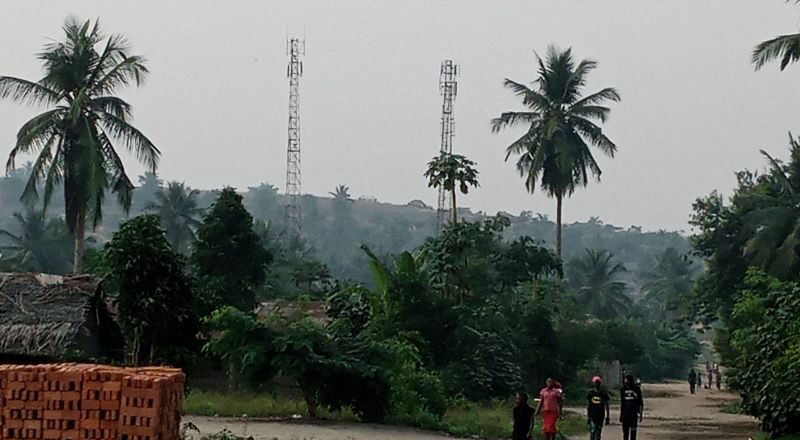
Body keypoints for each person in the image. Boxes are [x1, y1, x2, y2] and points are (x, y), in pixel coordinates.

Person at [620, 375, 644, 440]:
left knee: (633, 433)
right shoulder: (623, 389)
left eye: (626, 379)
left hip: (633, 415)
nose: (625, 381)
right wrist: (621, 415)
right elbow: (622, 403)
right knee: (625, 434)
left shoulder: (636, 389)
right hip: (625, 415)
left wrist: (641, 414)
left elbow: (640, 403)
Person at [587, 376, 610, 440]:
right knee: (593, 430)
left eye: (598, 382)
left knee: (598, 431)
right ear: (593, 383)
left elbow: (607, 405)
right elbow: (588, 405)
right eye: (595, 382)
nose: (597, 384)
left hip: (600, 415)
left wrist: (607, 417)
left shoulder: (603, 393)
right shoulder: (590, 393)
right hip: (592, 415)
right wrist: (588, 416)